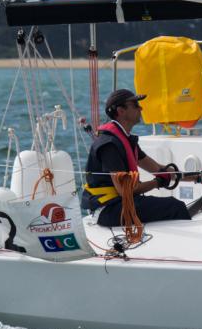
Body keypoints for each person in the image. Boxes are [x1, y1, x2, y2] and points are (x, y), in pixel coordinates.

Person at [81, 88, 191, 226]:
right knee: (175, 206)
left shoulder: (125, 140)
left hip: (120, 204)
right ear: (121, 111)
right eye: (135, 105)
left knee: (173, 206)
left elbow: (158, 169)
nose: (141, 108)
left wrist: (199, 178)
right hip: (108, 209)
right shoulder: (109, 145)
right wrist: (157, 182)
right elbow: (125, 190)